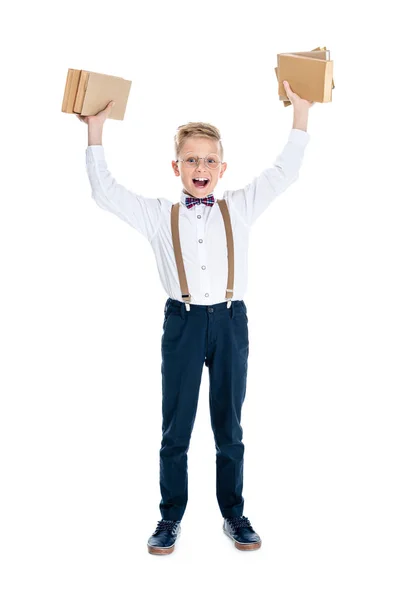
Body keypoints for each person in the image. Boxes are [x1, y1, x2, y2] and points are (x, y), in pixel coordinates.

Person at [79, 80, 314, 555]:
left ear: (222, 167)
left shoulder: (241, 207)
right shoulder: (158, 215)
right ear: (176, 167)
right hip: (182, 323)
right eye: (191, 159)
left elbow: (284, 171)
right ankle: (170, 518)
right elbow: (105, 192)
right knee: (176, 427)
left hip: (230, 322)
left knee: (229, 426)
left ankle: (233, 514)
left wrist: (301, 113)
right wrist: (96, 130)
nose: (200, 167)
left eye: (209, 160)